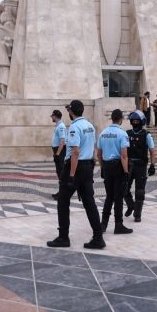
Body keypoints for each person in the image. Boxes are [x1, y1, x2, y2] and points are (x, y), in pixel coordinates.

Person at [47, 100, 105, 249]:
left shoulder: (74, 127)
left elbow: (75, 152)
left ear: (72, 112)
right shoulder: (90, 126)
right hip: (87, 166)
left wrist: (71, 175)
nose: (68, 113)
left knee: (63, 201)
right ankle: (98, 237)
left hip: (75, 168)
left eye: (69, 111)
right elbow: (92, 147)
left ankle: (63, 237)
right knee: (89, 203)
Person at [97, 109, 132, 234]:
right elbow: (124, 156)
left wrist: (102, 167)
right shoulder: (122, 134)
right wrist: (126, 171)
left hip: (106, 166)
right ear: (121, 119)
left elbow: (99, 153)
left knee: (109, 196)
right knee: (118, 197)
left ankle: (103, 224)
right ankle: (118, 224)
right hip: (118, 166)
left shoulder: (103, 133)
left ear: (112, 118)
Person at [123, 110, 156, 223]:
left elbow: (152, 151)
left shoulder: (147, 135)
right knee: (124, 189)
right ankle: (131, 205)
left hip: (141, 166)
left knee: (140, 191)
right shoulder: (127, 133)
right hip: (129, 165)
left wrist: (152, 165)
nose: (135, 122)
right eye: (133, 121)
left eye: (137, 121)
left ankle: (137, 214)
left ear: (141, 122)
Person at [50, 109, 66, 200]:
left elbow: (62, 141)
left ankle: (62, 193)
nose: (51, 118)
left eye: (52, 116)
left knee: (61, 173)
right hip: (58, 151)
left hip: (60, 151)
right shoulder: (58, 125)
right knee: (59, 173)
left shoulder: (61, 126)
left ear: (55, 116)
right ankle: (61, 192)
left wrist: (58, 154)